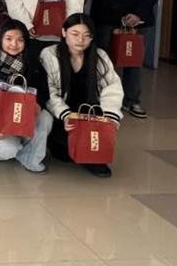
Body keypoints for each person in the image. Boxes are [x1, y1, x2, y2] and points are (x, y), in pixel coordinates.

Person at [41, 13, 123, 177]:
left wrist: (109, 116)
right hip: (63, 115)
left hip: (90, 114)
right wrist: (65, 115)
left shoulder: (100, 56)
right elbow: (49, 92)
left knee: (90, 152)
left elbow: (112, 87)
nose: (80, 40)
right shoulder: (50, 54)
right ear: (64, 32)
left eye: (87, 35)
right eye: (75, 34)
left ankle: (93, 155)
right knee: (65, 155)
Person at [0, 18, 52, 172]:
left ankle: (30, 158)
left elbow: (43, 89)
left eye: (20, 40)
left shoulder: (31, 61)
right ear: (0, 39)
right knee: (8, 150)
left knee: (45, 118)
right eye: (9, 39)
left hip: (17, 115)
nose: (14, 44)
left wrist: (38, 104)